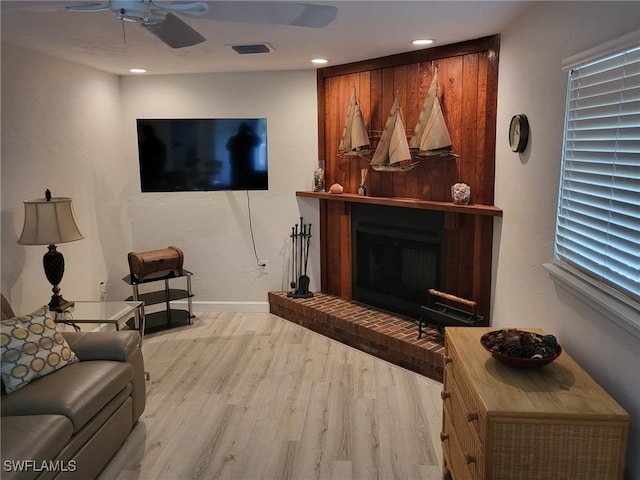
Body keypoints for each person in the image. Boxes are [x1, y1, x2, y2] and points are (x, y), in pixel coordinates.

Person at [226, 122, 261, 189]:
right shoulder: (249, 139)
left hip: (237, 165)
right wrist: (252, 132)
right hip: (246, 165)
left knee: (236, 181)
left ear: (239, 129)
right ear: (247, 130)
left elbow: (228, 147)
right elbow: (258, 142)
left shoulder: (233, 139)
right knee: (245, 182)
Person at [139, 124, 167, 191]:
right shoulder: (159, 144)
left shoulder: (143, 145)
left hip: (149, 174)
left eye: (145, 132)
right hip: (154, 174)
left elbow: (163, 159)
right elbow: (164, 160)